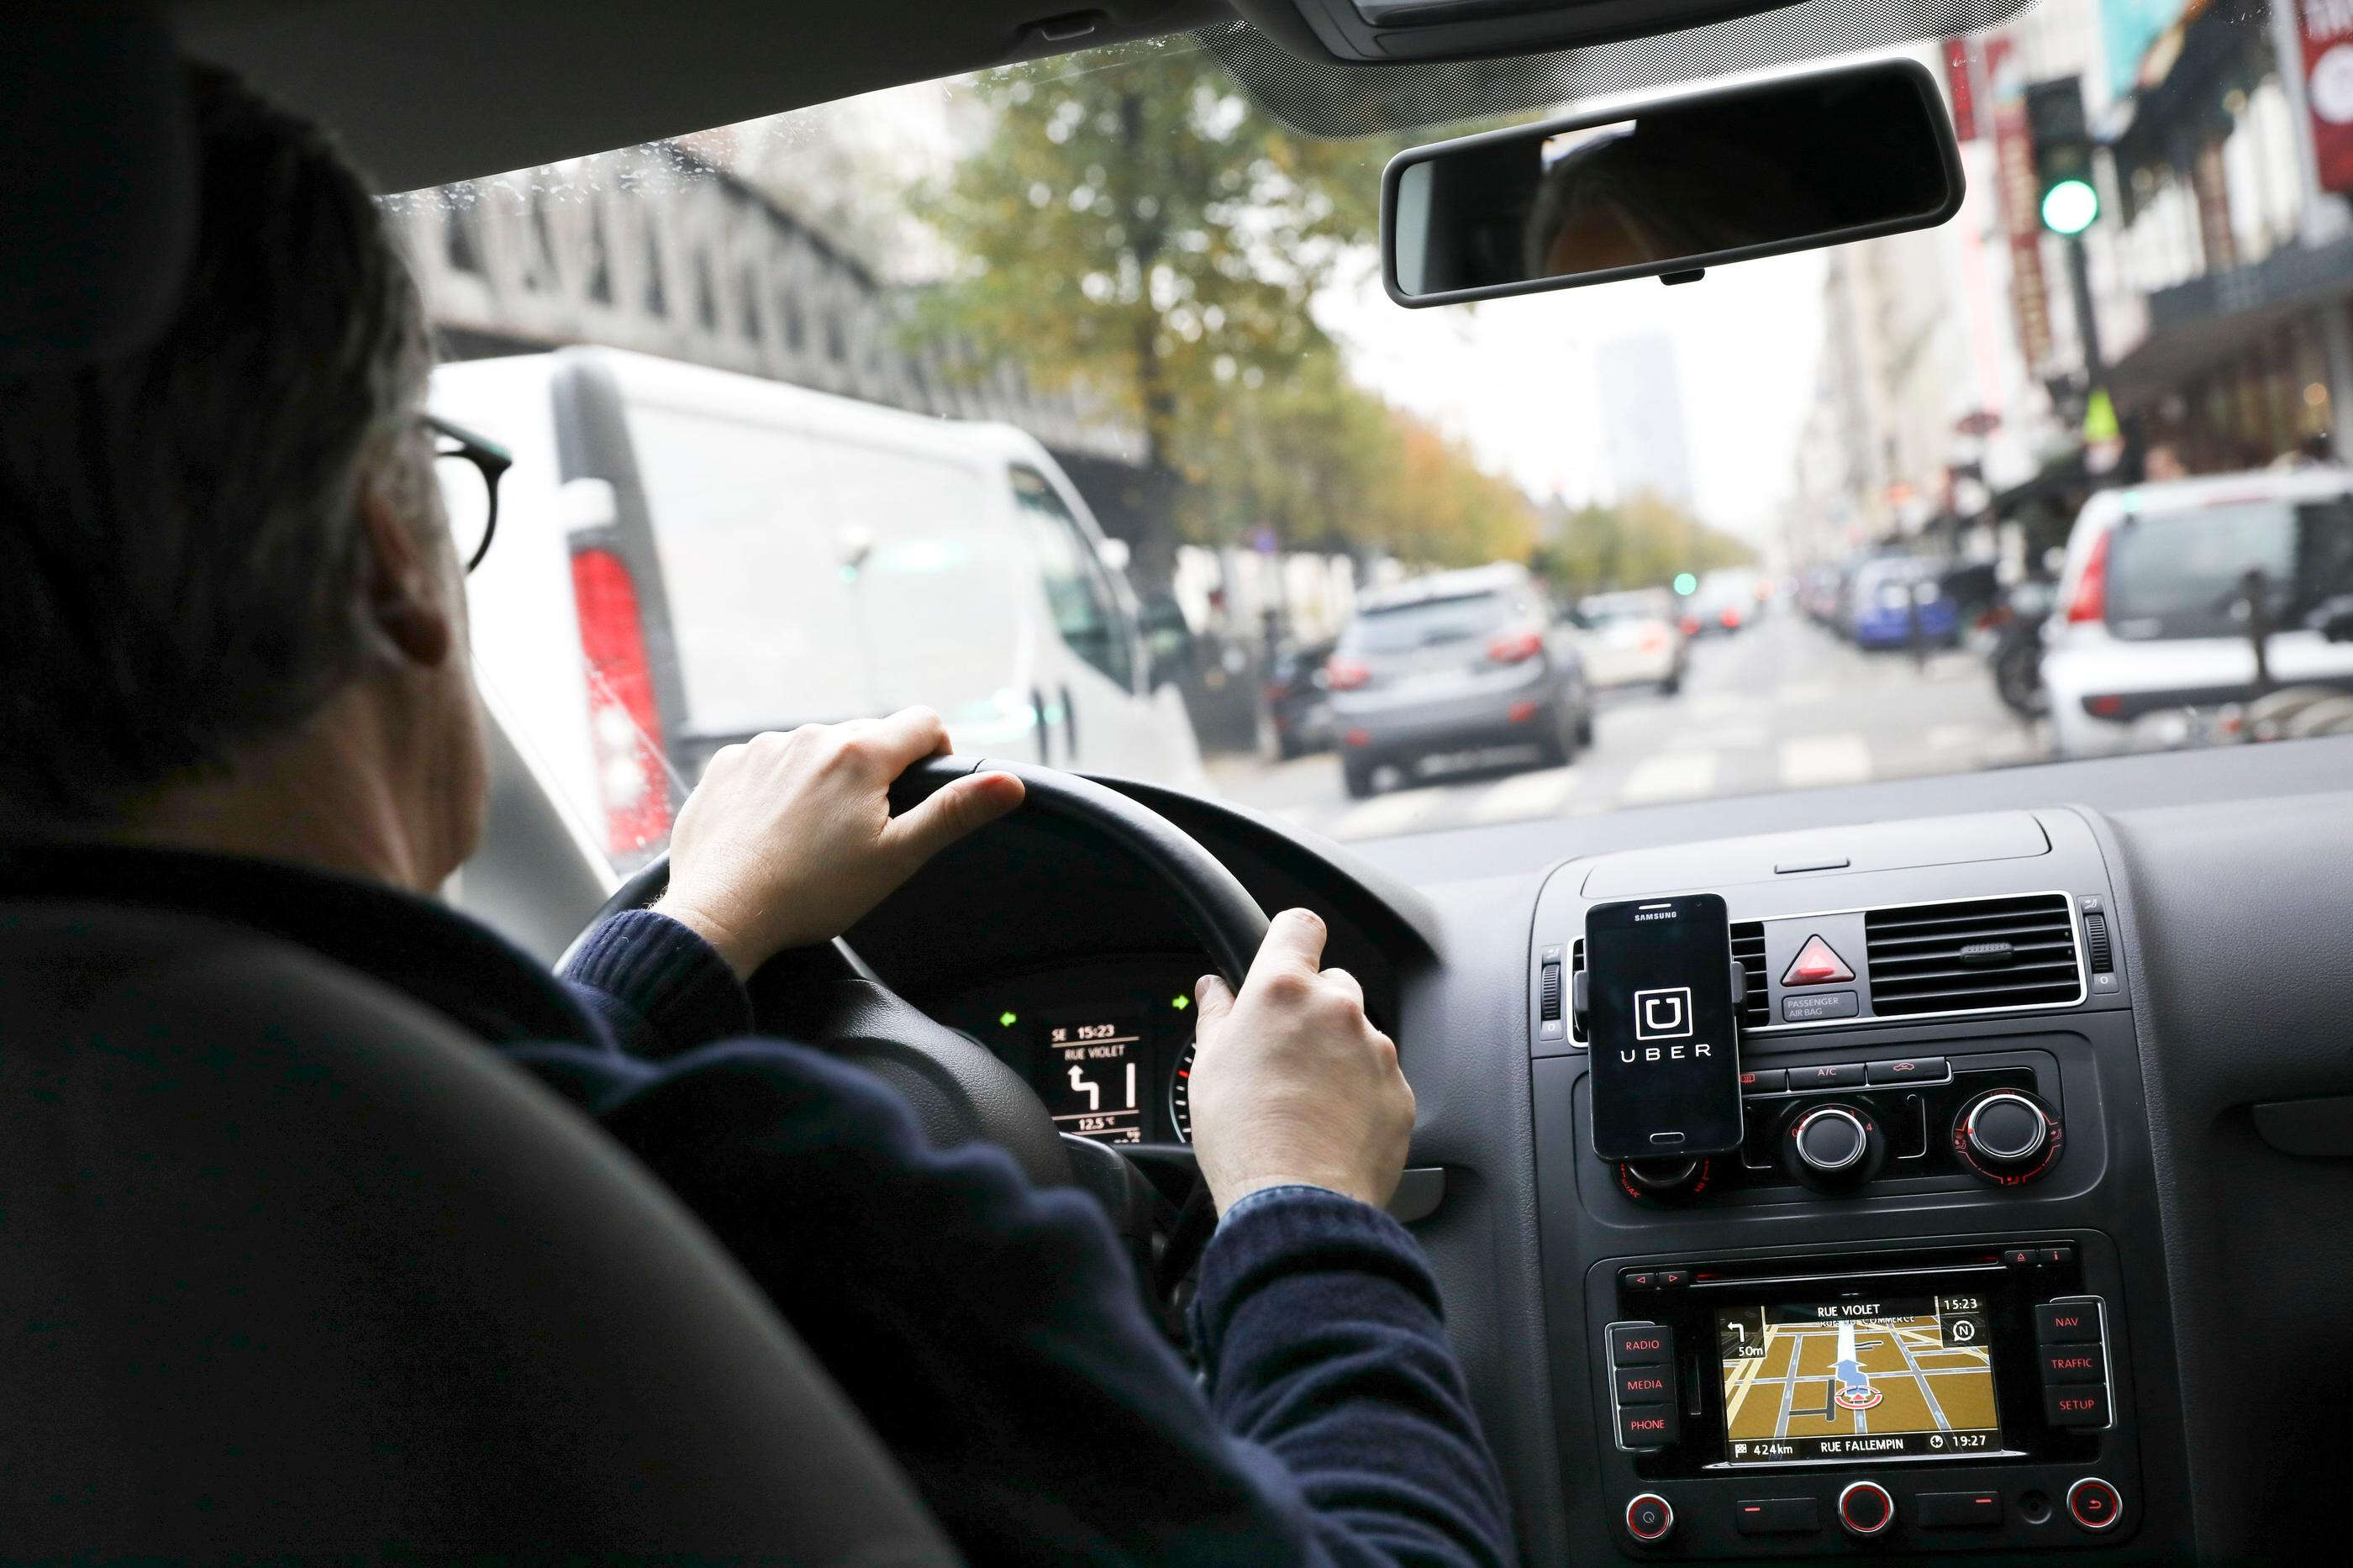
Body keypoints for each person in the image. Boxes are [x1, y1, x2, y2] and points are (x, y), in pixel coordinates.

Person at [0, 63, 1515, 1568]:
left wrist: (696, 930)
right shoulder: (830, 1224)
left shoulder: (148, 1153)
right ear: (394, 562)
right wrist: (1301, 1203)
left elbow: (486, 1110)